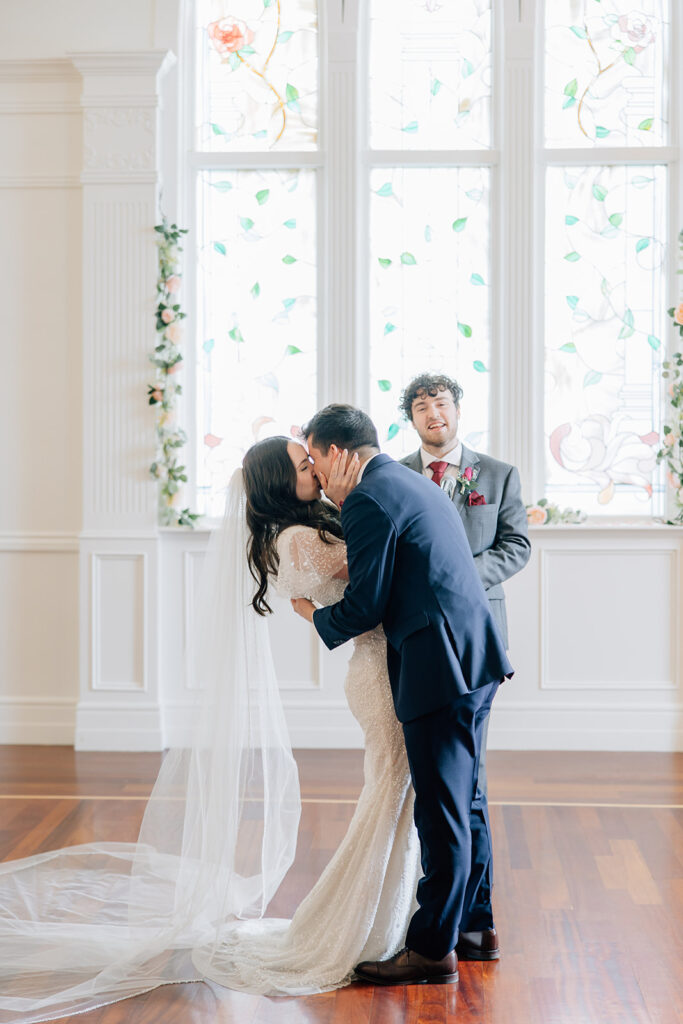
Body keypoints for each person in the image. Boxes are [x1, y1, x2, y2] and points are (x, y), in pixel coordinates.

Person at [0, 436, 421, 1020]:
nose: (319, 471)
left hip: (384, 667)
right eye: (306, 465)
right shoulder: (299, 539)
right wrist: (358, 498)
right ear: (281, 482)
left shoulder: (310, 526)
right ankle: (352, 929)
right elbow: (376, 561)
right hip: (377, 677)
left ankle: (385, 920)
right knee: (388, 797)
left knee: (395, 797)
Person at [292, 404, 514, 986]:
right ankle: (474, 928)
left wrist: (315, 617)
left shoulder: (368, 498)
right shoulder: (407, 481)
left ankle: (432, 950)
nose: (313, 469)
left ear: (339, 453)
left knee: (441, 815)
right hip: (474, 656)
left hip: (437, 666)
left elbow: (367, 602)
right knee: (464, 802)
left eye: (314, 456)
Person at [398, 373, 531, 795]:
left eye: (441, 403)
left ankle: (471, 854)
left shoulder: (498, 474)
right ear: (412, 420)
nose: (433, 414)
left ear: (457, 410)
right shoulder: (394, 476)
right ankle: (425, 854)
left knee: (470, 748)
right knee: (418, 749)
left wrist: (457, 578)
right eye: (421, 408)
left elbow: (517, 545)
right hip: (414, 632)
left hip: (478, 628)